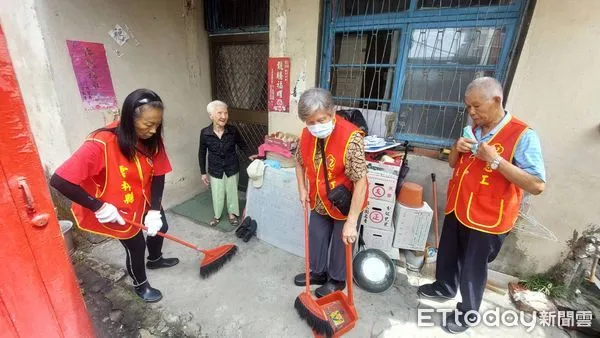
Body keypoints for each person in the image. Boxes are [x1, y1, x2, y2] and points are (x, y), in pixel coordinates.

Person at [417, 77, 546, 333]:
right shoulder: (473, 129)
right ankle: (444, 287)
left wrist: (496, 160)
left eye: (476, 106)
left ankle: (468, 313)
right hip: (459, 206)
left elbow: (537, 185)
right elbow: (454, 163)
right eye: (468, 107)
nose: (471, 113)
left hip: (489, 217)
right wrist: (456, 147)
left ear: (496, 100)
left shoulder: (522, 135)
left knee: (473, 268)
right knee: (448, 254)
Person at [50, 89, 179, 303]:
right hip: (118, 209)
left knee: (161, 227)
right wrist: (98, 206)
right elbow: (60, 180)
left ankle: (155, 259)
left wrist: (155, 209)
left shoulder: (151, 139)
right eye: (148, 124)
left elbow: (159, 174)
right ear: (129, 118)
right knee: (136, 246)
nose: (154, 130)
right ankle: (141, 285)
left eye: (158, 124)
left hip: (145, 199)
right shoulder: (101, 143)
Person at [293, 88, 368, 298]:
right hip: (319, 199)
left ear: (333, 112)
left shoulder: (351, 138)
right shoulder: (307, 134)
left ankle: (337, 279)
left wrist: (352, 222)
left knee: (340, 242)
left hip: (345, 202)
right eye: (310, 122)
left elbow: (361, 181)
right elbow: (298, 162)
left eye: (321, 119)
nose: (315, 126)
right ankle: (317, 273)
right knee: (316, 236)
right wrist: (302, 188)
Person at [198, 100, 255, 227]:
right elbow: (201, 153)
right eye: (219, 113)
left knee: (232, 191)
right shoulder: (205, 133)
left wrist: (249, 154)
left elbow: (242, 144)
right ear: (211, 115)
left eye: (226, 113)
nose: (223, 116)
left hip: (231, 166)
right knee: (217, 192)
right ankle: (217, 215)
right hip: (215, 168)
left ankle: (232, 214)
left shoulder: (233, 130)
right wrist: (203, 172)